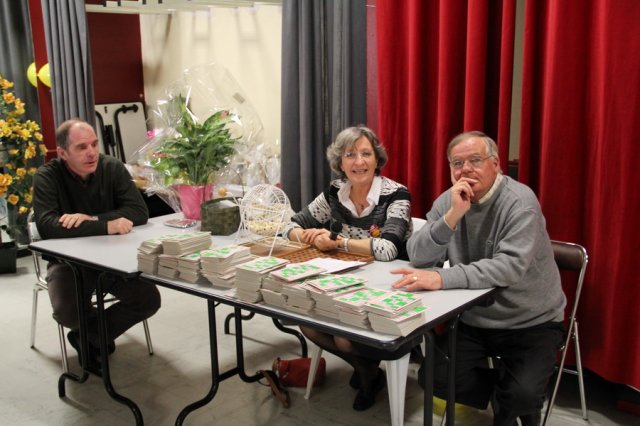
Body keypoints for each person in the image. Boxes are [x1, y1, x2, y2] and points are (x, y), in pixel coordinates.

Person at [390, 131, 566, 425]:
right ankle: (505, 395)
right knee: (434, 378)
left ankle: (514, 399)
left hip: (532, 321)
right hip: (475, 318)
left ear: (495, 164)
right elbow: (418, 256)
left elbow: (509, 268)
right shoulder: (450, 200)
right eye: (457, 163)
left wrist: (441, 278)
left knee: (522, 396)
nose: (466, 169)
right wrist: (451, 217)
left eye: (475, 160)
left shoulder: (520, 202)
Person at [283, 125, 413, 411]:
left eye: (366, 154)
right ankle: (368, 370)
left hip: (390, 286)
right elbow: (288, 226)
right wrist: (308, 236)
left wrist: (337, 242)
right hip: (347, 281)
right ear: (340, 163)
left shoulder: (396, 195)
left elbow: (387, 249)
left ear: (377, 160)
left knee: (343, 338)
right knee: (308, 324)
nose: (359, 162)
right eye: (350, 155)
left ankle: (367, 375)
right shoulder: (335, 193)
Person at [32, 119, 161, 375]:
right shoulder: (46, 176)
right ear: (63, 153)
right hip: (68, 262)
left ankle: (90, 337)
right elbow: (47, 226)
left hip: (112, 259)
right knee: (67, 312)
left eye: (94, 144)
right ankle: (97, 335)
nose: (91, 153)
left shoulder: (111, 167)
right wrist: (107, 225)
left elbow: (139, 212)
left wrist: (91, 219)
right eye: (81, 147)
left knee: (148, 299)